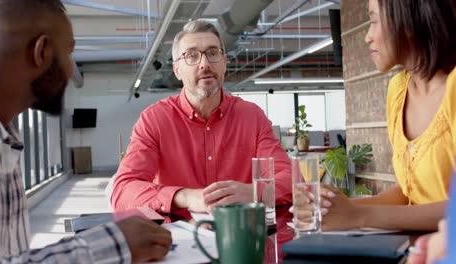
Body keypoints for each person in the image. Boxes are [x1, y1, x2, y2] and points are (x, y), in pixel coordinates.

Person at [0, 0, 171, 262]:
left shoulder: (4, 144)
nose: (71, 68)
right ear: (42, 51)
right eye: (69, 52)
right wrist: (111, 245)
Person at [293, 0, 455, 231]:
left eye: (374, 20)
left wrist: (359, 215)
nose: (368, 36)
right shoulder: (398, 90)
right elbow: (408, 193)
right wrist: (342, 208)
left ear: (407, 21)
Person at [111, 20, 292, 213]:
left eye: (213, 53)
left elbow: (289, 178)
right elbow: (123, 190)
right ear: (177, 70)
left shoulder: (252, 117)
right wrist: (186, 197)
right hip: (179, 238)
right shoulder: (154, 120)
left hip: (241, 233)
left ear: (224, 63)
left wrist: (255, 192)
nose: (204, 64)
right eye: (192, 56)